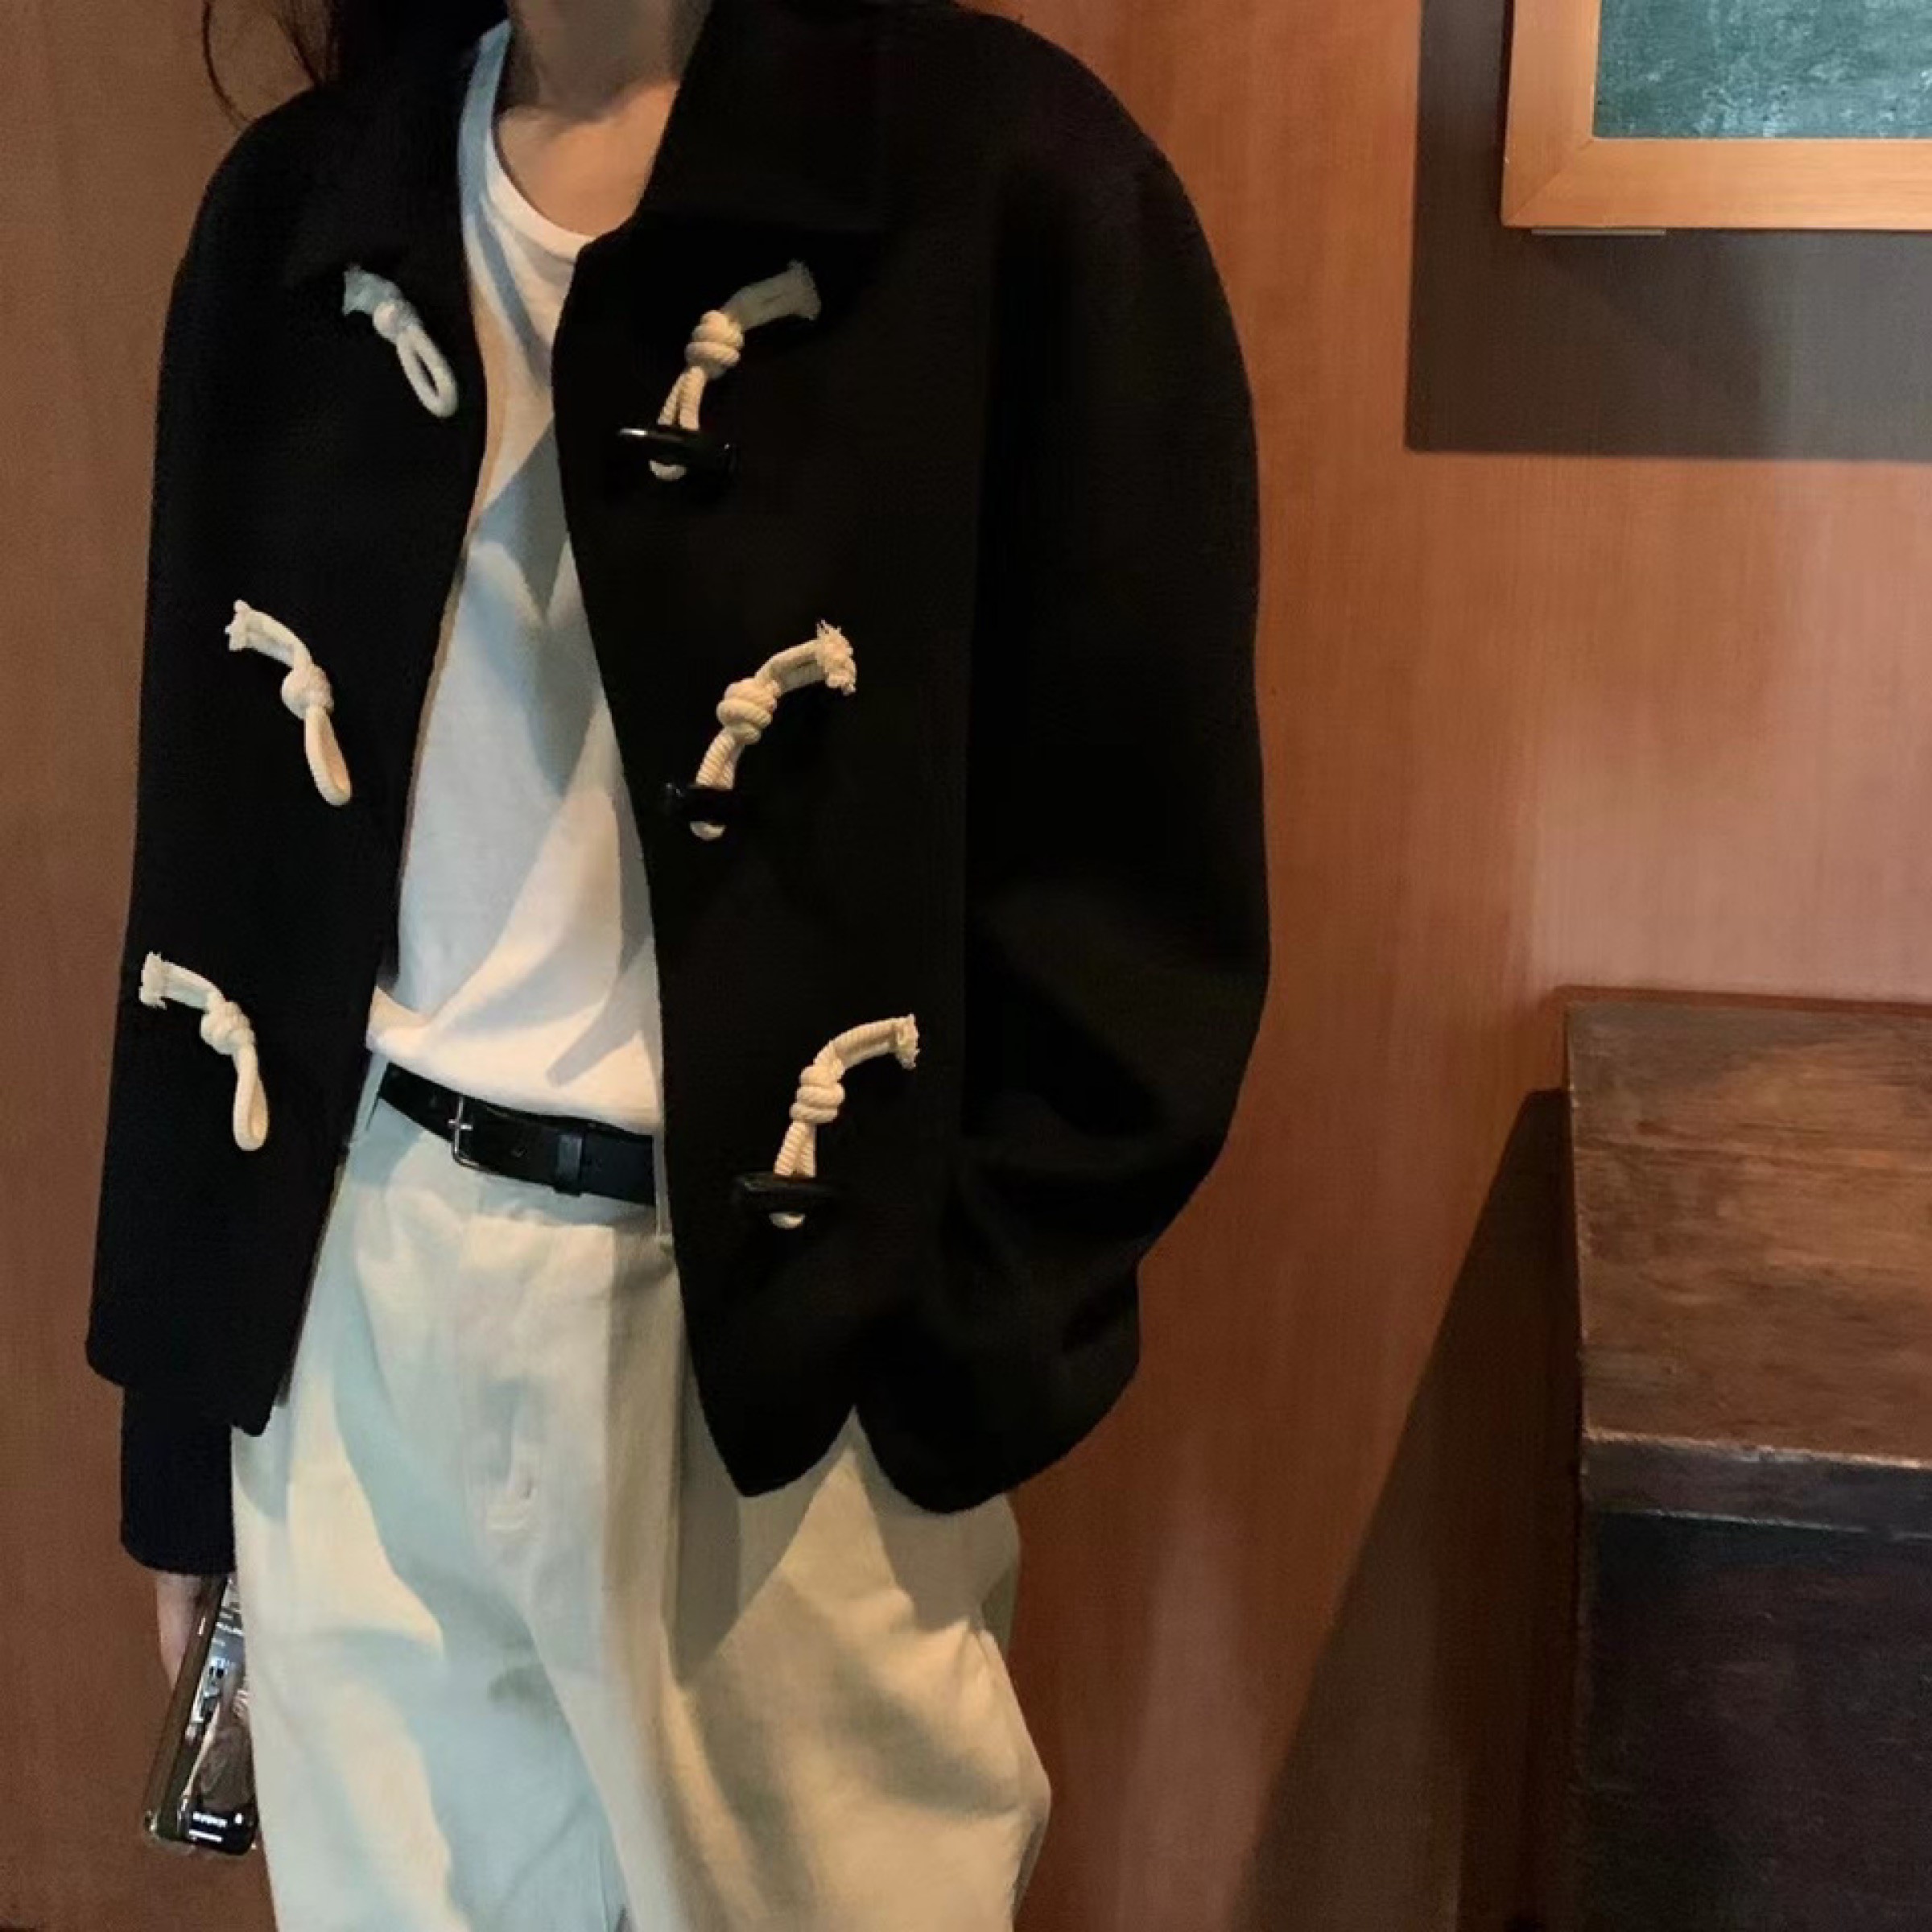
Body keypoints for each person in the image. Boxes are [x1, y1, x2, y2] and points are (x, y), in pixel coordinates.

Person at [85, 0, 1266, 1923]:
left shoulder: (1011, 187)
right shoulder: (301, 212)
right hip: (346, 1309)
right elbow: (211, 844)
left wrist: (943, 1371)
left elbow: (1141, 875)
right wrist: (188, 1415)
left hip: (773, 1357)